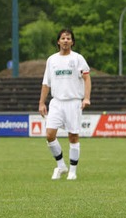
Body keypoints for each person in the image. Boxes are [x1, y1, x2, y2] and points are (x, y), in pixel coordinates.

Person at [38, 29, 91, 180]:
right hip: (56, 102)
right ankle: (61, 165)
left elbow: (87, 79)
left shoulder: (78, 58)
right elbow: (46, 83)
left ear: (72, 42)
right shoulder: (51, 60)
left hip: (73, 101)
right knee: (49, 135)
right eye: (63, 38)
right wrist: (42, 102)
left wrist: (86, 98)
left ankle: (73, 171)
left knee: (73, 136)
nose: (66, 40)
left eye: (68, 38)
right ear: (58, 41)